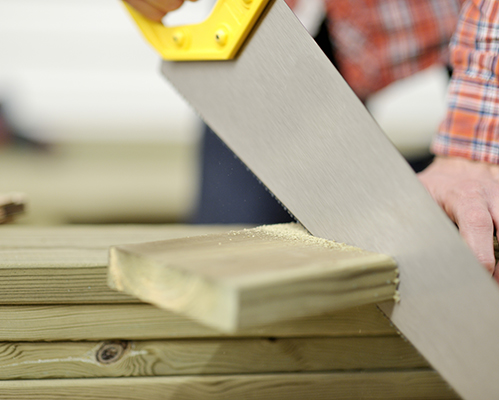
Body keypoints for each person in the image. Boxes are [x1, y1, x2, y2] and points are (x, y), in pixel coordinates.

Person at [124, 0, 499, 283]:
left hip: (479, 23)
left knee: (476, 218)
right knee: (225, 253)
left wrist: (474, 146)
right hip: (307, 18)